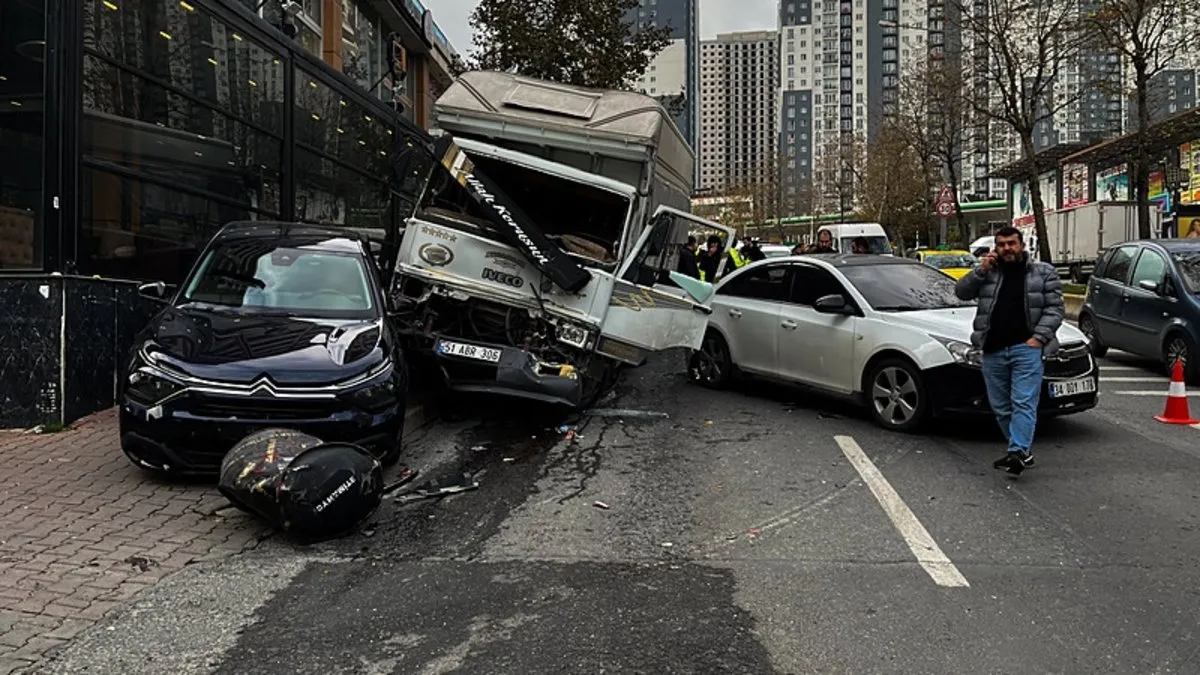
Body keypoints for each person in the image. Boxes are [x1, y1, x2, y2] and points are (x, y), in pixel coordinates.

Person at [954, 226, 1064, 475]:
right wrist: (980, 270)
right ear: (995, 247)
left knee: (1023, 402)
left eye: (1011, 244)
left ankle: (1017, 452)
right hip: (992, 349)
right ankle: (1021, 450)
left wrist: (1038, 339)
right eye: (1001, 244)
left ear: (1022, 246)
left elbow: (1055, 309)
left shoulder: (1043, 272)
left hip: (1026, 349)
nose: (1007, 249)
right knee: (1001, 407)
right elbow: (961, 292)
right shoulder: (987, 273)